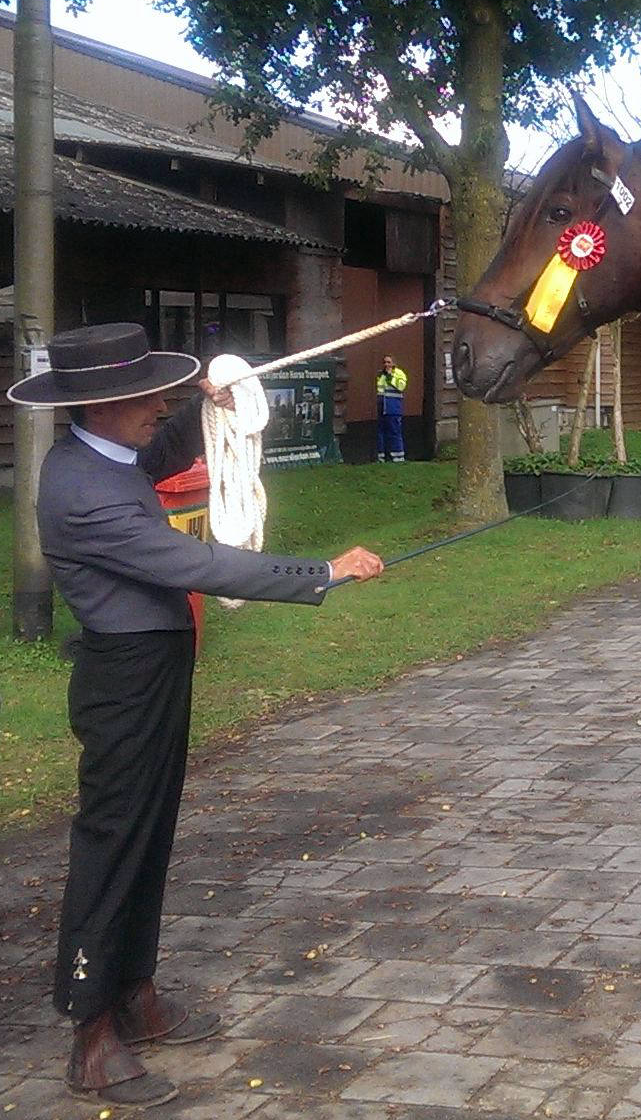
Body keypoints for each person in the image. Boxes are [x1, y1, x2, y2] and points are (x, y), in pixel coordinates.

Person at [6, 323, 385, 1109]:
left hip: (157, 668)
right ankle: (90, 1030)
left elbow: (159, 451)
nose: (160, 405)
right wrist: (321, 571)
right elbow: (194, 561)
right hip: (123, 681)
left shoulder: (107, 455)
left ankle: (133, 991)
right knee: (113, 844)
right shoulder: (79, 488)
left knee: (150, 834)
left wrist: (204, 403)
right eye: (147, 398)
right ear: (100, 406)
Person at [375, 353, 408, 462]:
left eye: (389, 362)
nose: (386, 364)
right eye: (384, 362)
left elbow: (401, 387)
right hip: (382, 407)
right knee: (381, 433)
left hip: (393, 407)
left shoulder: (399, 373)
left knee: (395, 432)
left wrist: (390, 377)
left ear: (393, 363)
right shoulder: (381, 375)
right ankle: (382, 457)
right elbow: (379, 391)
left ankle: (398, 457)